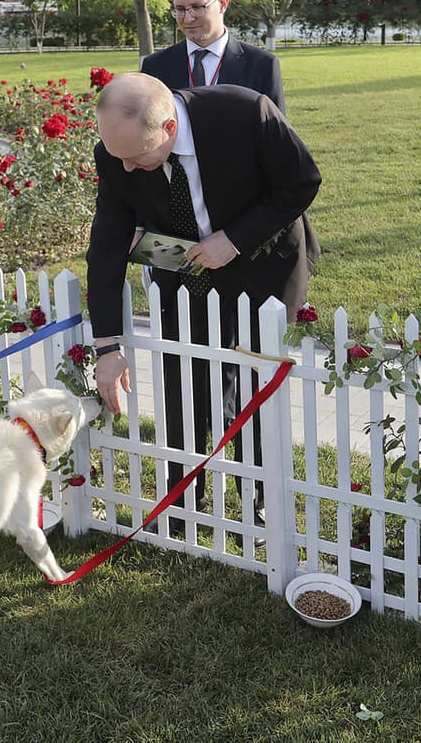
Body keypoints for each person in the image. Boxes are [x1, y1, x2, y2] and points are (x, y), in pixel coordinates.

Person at [86, 73, 319, 538]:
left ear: (168, 129)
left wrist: (231, 241)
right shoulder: (117, 154)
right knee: (184, 382)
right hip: (182, 270)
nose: (125, 169)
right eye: (117, 157)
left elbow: (300, 182)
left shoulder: (245, 113)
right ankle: (182, 499)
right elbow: (107, 246)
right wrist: (107, 347)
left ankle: (258, 499)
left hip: (263, 262)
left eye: (135, 157)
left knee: (255, 386)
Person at [142, 0, 285, 111]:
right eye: (180, 9)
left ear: (223, 3)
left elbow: (275, 133)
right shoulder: (155, 68)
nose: (188, 18)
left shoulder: (261, 66)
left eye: (197, 7)